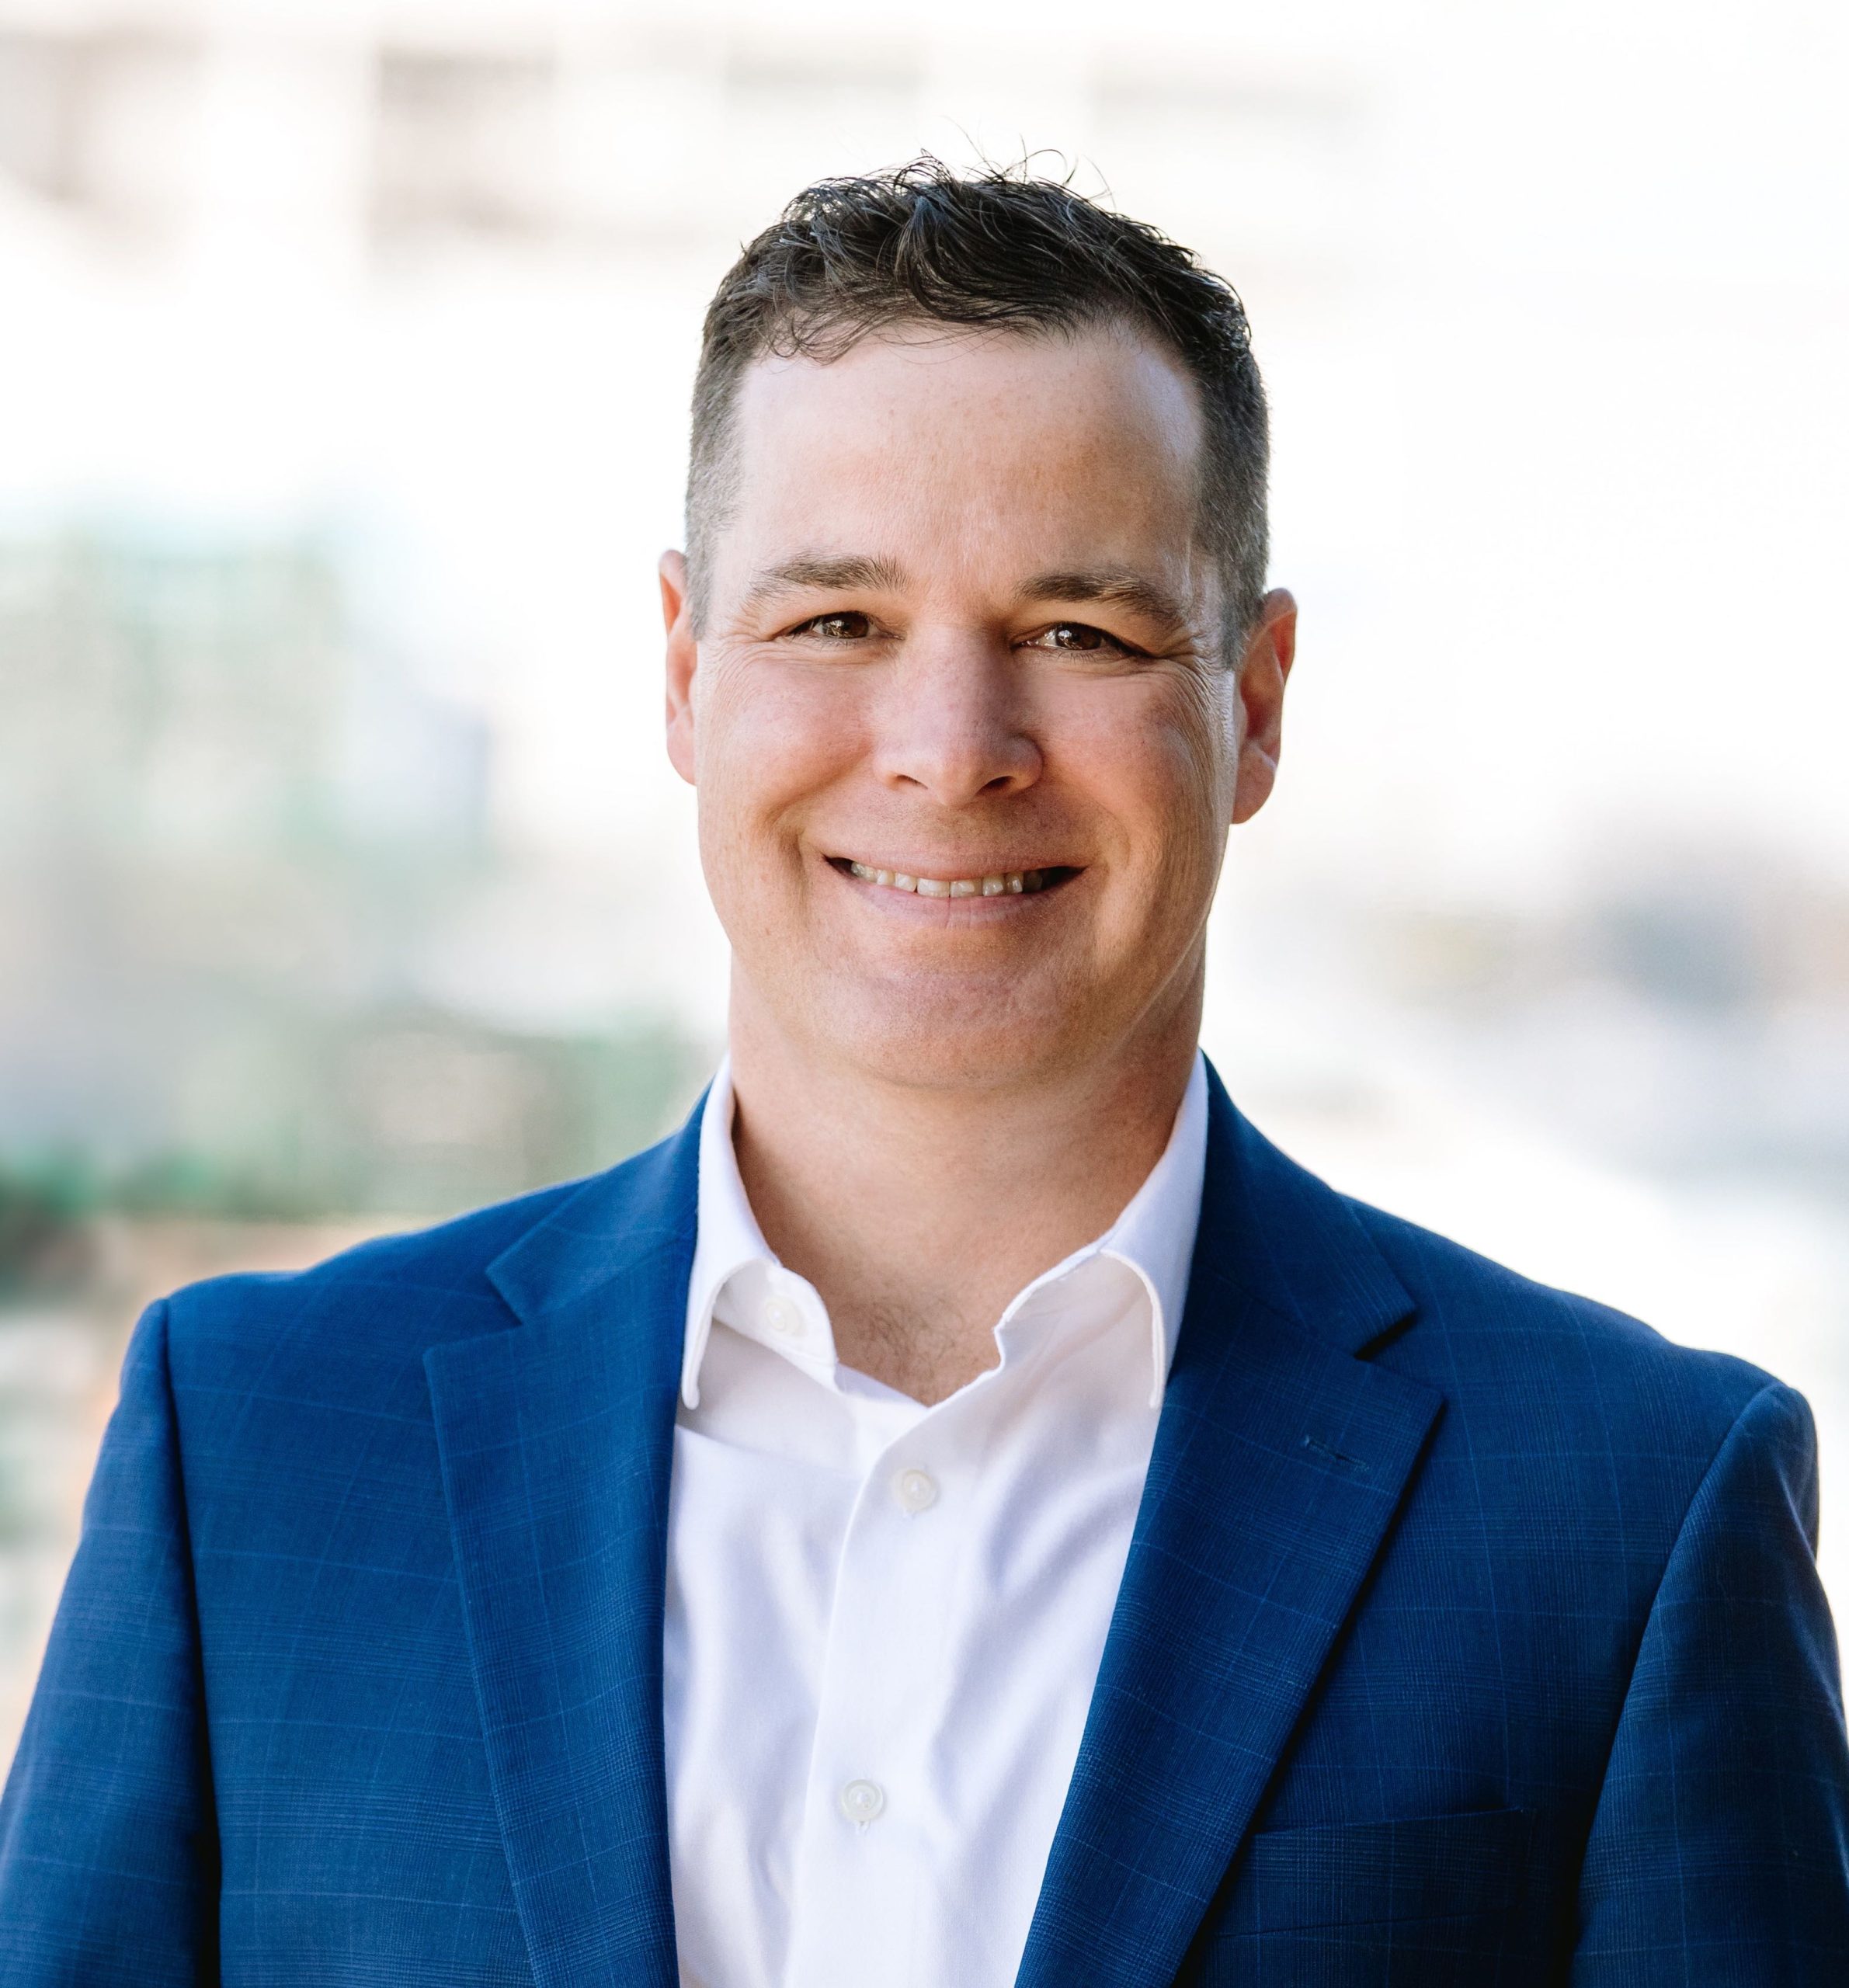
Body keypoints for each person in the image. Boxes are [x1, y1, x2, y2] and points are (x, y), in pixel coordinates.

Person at [2, 159, 1845, 1988]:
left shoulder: (1634, 1507)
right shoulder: (252, 1442)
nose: (952, 749)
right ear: (681, 672)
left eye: (1079, 632)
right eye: (837, 623)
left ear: (1255, 700)